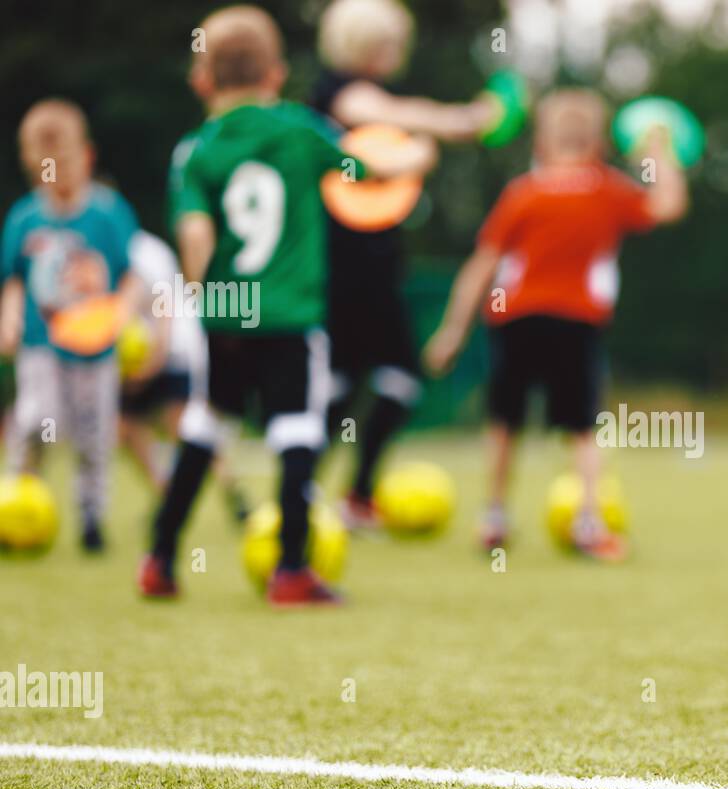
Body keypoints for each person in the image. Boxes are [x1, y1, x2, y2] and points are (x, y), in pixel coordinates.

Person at [137, 4, 432, 604]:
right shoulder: (301, 131)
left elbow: (195, 235)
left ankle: (161, 558)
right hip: (290, 316)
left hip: (226, 312)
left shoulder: (193, 152)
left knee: (205, 425)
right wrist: (416, 156)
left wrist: (204, 294)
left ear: (202, 81)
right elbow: (363, 169)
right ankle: (291, 569)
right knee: (296, 429)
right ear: (275, 74)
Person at [424, 89, 688, 559]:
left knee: (504, 420)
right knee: (582, 428)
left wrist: (452, 331)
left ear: (541, 143)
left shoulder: (523, 193)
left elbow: (482, 265)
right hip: (576, 321)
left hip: (515, 318)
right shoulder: (608, 189)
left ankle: (494, 516)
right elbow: (667, 206)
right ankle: (589, 522)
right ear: (601, 145)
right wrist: (659, 151)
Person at [312, 0, 497, 529]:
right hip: (344, 266)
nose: (398, 52)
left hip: (376, 264)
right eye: (389, 42)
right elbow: (401, 116)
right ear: (363, 44)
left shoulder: (360, 94)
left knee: (385, 378)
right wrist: (464, 120)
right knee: (351, 380)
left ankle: (348, 494)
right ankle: (319, 493)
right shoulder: (338, 92)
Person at [0, 99, 142, 553]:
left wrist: (122, 311)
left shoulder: (107, 212)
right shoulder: (25, 218)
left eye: (63, 164)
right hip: (41, 345)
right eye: (45, 166)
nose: (55, 175)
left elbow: (131, 274)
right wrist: (8, 318)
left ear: (86, 156)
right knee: (37, 420)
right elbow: (15, 280)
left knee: (93, 434)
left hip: (95, 348)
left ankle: (91, 517)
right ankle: (19, 502)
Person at [120, 230, 249, 522]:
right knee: (124, 427)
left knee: (186, 426)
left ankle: (233, 492)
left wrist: (151, 362)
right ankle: (166, 494)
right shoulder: (97, 251)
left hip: (177, 348)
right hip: (140, 354)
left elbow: (165, 310)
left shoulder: (144, 252)